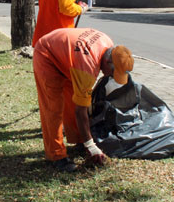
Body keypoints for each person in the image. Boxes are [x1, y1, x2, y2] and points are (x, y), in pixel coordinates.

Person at [33, 27, 134, 172]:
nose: (111, 77)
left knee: (73, 99)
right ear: (107, 62)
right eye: (113, 73)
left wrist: (87, 142)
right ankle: (55, 155)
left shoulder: (109, 45)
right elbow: (81, 111)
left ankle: (80, 141)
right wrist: (92, 146)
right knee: (53, 106)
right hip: (47, 53)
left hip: (68, 56)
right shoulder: (87, 69)